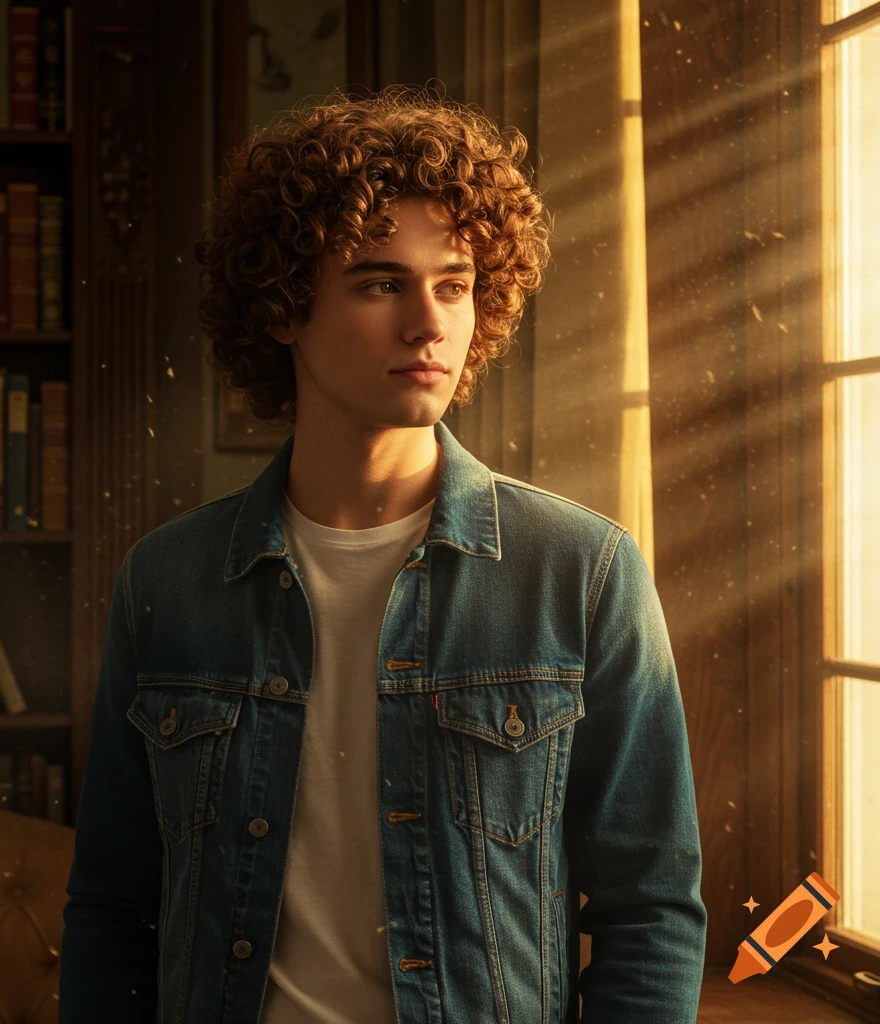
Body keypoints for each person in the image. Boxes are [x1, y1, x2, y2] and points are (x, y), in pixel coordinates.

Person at [59, 83, 707, 1024]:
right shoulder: (169, 582)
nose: (429, 323)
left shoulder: (583, 570)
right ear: (283, 307)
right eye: (378, 282)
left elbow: (650, 910)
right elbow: (114, 910)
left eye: (453, 284)